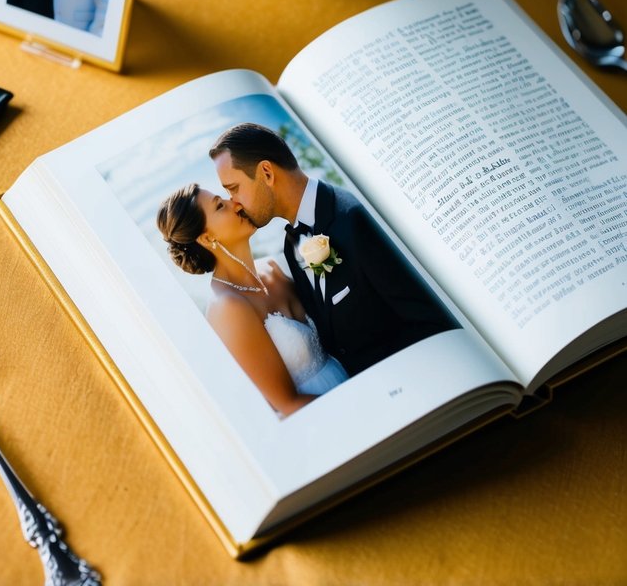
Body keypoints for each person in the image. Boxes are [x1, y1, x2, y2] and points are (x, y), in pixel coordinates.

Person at [209, 124, 457, 380]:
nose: (234, 203)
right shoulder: (291, 243)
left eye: (233, 188)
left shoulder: (353, 218)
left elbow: (431, 322)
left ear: (267, 172)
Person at [157, 182, 349, 416]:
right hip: (322, 416)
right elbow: (286, 404)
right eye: (220, 206)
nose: (235, 203)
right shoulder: (227, 307)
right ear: (207, 239)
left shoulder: (273, 268)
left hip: (347, 378)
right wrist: (355, 404)